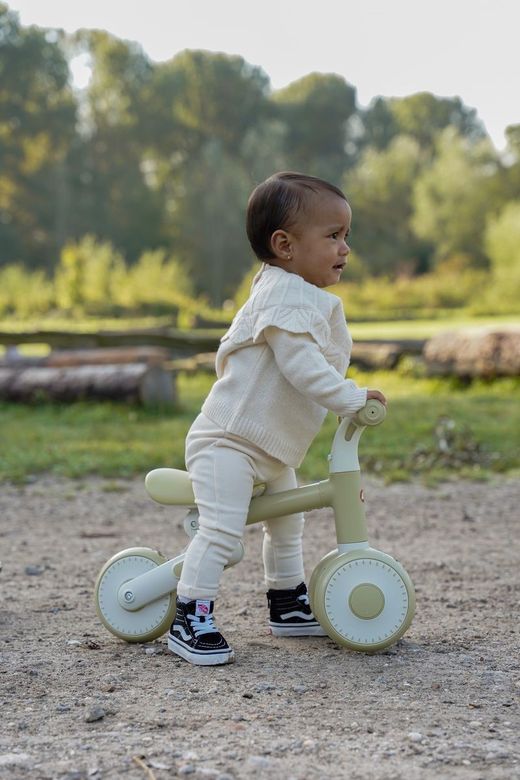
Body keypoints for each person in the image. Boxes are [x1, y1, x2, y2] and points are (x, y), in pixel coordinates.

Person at [168, 171, 387, 665]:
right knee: (222, 532)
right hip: (229, 442)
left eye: (346, 235)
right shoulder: (283, 295)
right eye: (332, 236)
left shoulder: (295, 292)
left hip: (269, 448)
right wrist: (349, 398)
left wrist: (345, 397)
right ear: (285, 245)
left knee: (289, 526)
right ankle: (188, 615)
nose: (345, 248)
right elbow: (302, 366)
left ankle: (286, 603)